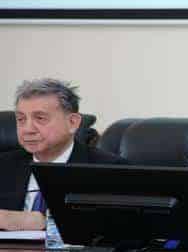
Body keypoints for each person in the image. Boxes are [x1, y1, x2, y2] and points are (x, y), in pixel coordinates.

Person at [0, 78, 125, 231]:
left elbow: (119, 228)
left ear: (73, 123)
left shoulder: (109, 170)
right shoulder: (3, 166)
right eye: (21, 119)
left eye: (40, 118)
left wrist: (45, 222)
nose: (27, 129)